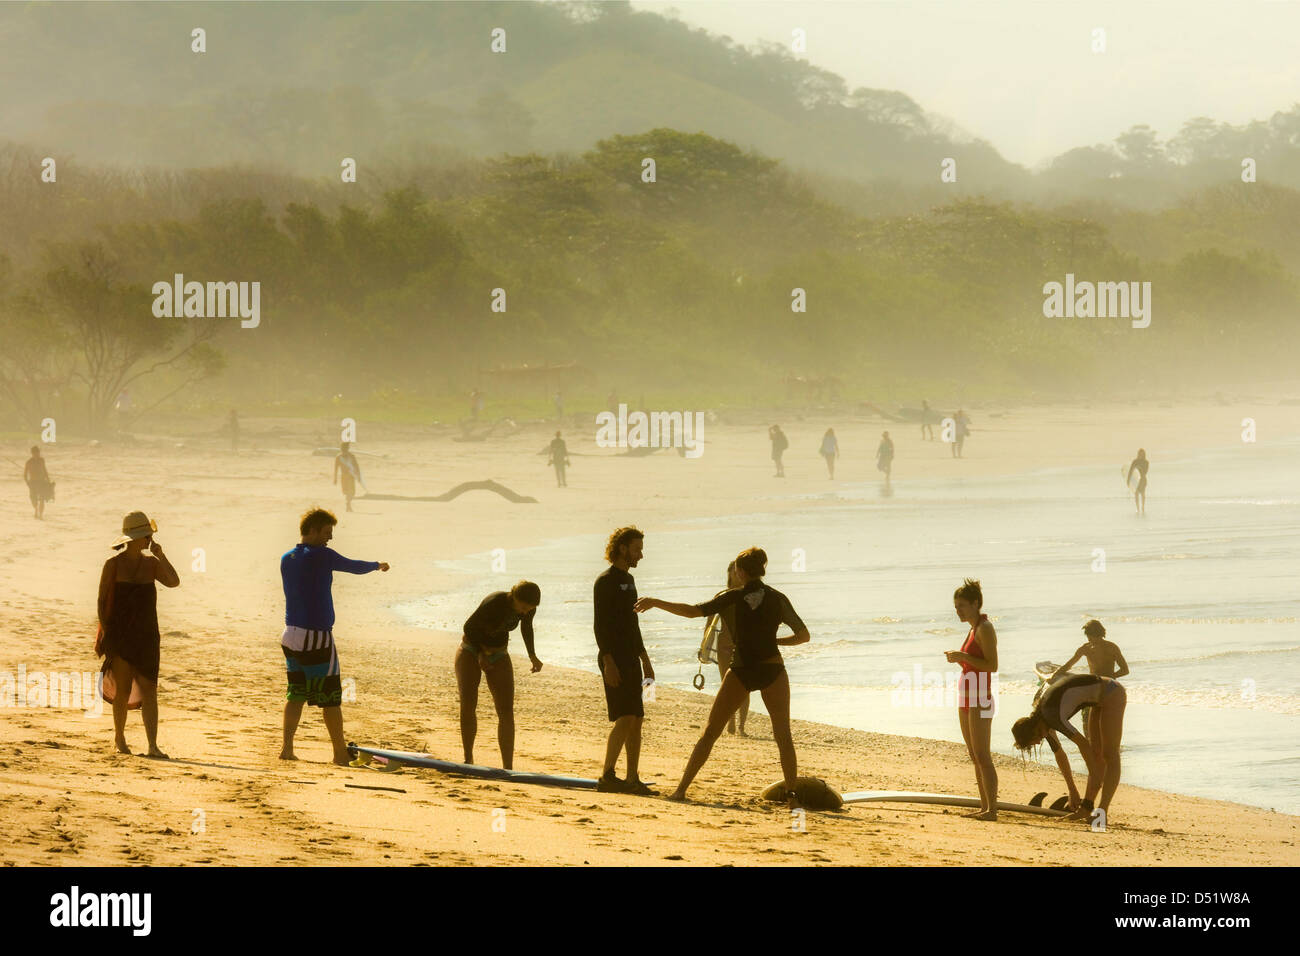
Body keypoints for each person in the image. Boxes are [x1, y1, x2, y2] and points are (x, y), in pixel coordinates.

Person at [635, 547, 810, 804]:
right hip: (772, 669)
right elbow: (803, 636)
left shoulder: (730, 597)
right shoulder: (778, 598)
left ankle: (681, 790)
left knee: (710, 733)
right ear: (761, 570)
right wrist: (775, 642)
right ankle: (792, 796)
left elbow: (694, 611)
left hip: (741, 670)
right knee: (783, 735)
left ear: (739, 572)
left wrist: (655, 602)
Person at [279, 507, 389, 765]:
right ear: (314, 530)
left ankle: (287, 748)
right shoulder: (322, 556)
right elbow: (351, 566)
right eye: (327, 532)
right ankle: (339, 752)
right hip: (316, 636)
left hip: (290, 634)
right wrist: (377, 565)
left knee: (296, 693)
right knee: (330, 697)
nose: (330, 538)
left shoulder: (287, 557)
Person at [97, 511, 181, 758]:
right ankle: (120, 739)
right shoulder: (112, 565)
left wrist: (161, 555)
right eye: (147, 536)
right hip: (121, 636)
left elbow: (174, 582)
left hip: (147, 637)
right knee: (122, 690)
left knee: (150, 691)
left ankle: (152, 745)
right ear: (136, 537)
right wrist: (106, 634)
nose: (149, 540)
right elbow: (101, 602)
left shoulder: (152, 564)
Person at [1012, 673, 1127, 823]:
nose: (1038, 743)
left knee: (1110, 754)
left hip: (1112, 691)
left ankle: (1101, 812)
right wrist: (1072, 790)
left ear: (1033, 731)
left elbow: (1083, 744)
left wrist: (1095, 775)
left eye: (1033, 740)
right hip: (1096, 700)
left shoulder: (1052, 716)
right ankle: (1086, 808)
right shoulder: (1041, 720)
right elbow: (1060, 755)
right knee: (1097, 754)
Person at [593, 526, 656, 795]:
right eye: (637, 549)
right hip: (613, 658)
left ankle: (632, 778)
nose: (641, 555)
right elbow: (600, 625)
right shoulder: (605, 581)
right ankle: (607, 775)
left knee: (637, 717)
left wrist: (645, 658)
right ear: (622, 549)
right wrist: (608, 661)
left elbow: (632, 623)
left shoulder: (629, 582)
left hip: (631, 656)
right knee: (625, 716)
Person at [456, 582, 542, 768]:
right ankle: (468, 759)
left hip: (499, 652)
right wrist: (480, 654)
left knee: (506, 710)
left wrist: (533, 656)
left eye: (530, 609)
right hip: (471, 649)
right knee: (469, 702)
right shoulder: (495, 602)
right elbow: (469, 627)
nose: (525, 612)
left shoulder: (528, 609)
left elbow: (526, 628)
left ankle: (508, 767)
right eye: (524, 607)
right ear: (514, 598)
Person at [944, 578, 999, 820]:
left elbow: (992, 665)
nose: (958, 610)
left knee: (983, 755)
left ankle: (992, 810)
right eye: (956, 606)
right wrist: (960, 658)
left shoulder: (985, 628)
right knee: (974, 755)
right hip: (967, 696)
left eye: (962, 606)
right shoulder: (972, 628)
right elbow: (974, 663)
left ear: (976, 604)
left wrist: (962, 656)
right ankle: (984, 806)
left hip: (980, 698)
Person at [1052, 620, 1129, 742]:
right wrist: (1056, 675)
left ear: (1098, 634)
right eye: (1088, 637)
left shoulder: (1112, 647)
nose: (1089, 640)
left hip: (1109, 687)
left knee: (1108, 719)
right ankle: (1090, 742)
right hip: (1092, 687)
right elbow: (1069, 664)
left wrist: (1109, 677)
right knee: (1087, 717)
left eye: (1090, 637)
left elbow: (1125, 670)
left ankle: (1111, 744)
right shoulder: (1085, 648)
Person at [702, 561, 749, 735]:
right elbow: (710, 621)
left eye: (739, 571)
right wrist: (704, 647)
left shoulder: (748, 594)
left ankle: (742, 726)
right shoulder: (722, 595)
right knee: (726, 686)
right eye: (734, 572)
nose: (737, 575)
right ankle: (730, 721)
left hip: (744, 645)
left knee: (745, 687)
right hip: (724, 646)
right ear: (729, 574)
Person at [24, 445, 53, 519]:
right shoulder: (29, 462)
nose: (37, 454)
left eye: (38, 453)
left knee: (42, 499)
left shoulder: (42, 460)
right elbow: (25, 475)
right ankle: (36, 509)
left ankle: (41, 515)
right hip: (33, 483)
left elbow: (45, 470)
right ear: (32, 453)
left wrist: (48, 479)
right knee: (33, 499)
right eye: (35, 453)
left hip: (42, 482)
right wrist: (28, 483)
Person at [333, 442, 361, 512]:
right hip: (346, 477)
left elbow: (356, 466)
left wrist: (358, 476)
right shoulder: (339, 457)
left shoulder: (351, 456)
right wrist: (335, 478)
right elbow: (336, 468)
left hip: (350, 476)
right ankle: (348, 505)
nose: (345, 449)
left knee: (351, 492)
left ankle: (348, 504)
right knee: (348, 492)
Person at [1126, 448, 1149, 515]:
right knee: (1136, 494)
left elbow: (1145, 472)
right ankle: (1137, 508)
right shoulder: (1135, 461)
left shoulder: (1146, 462)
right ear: (1138, 454)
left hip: (1143, 479)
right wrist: (1128, 480)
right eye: (1139, 454)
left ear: (1144, 454)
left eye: (1142, 454)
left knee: (1142, 494)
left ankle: (1143, 507)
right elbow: (1130, 471)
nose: (1140, 455)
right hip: (1135, 479)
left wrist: (1139, 468)